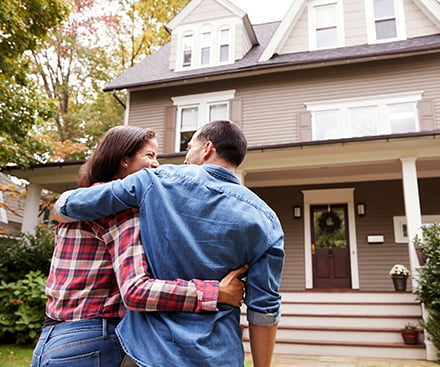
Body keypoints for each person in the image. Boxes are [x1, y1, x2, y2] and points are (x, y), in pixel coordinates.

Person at [54, 120, 284, 367]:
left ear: (207, 148)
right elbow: (264, 309)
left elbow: (70, 205)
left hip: (149, 353)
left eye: (189, 149)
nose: (185, 158)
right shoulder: (267, 220)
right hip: (219, 356)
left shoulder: (154, 181)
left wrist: (60, 207)